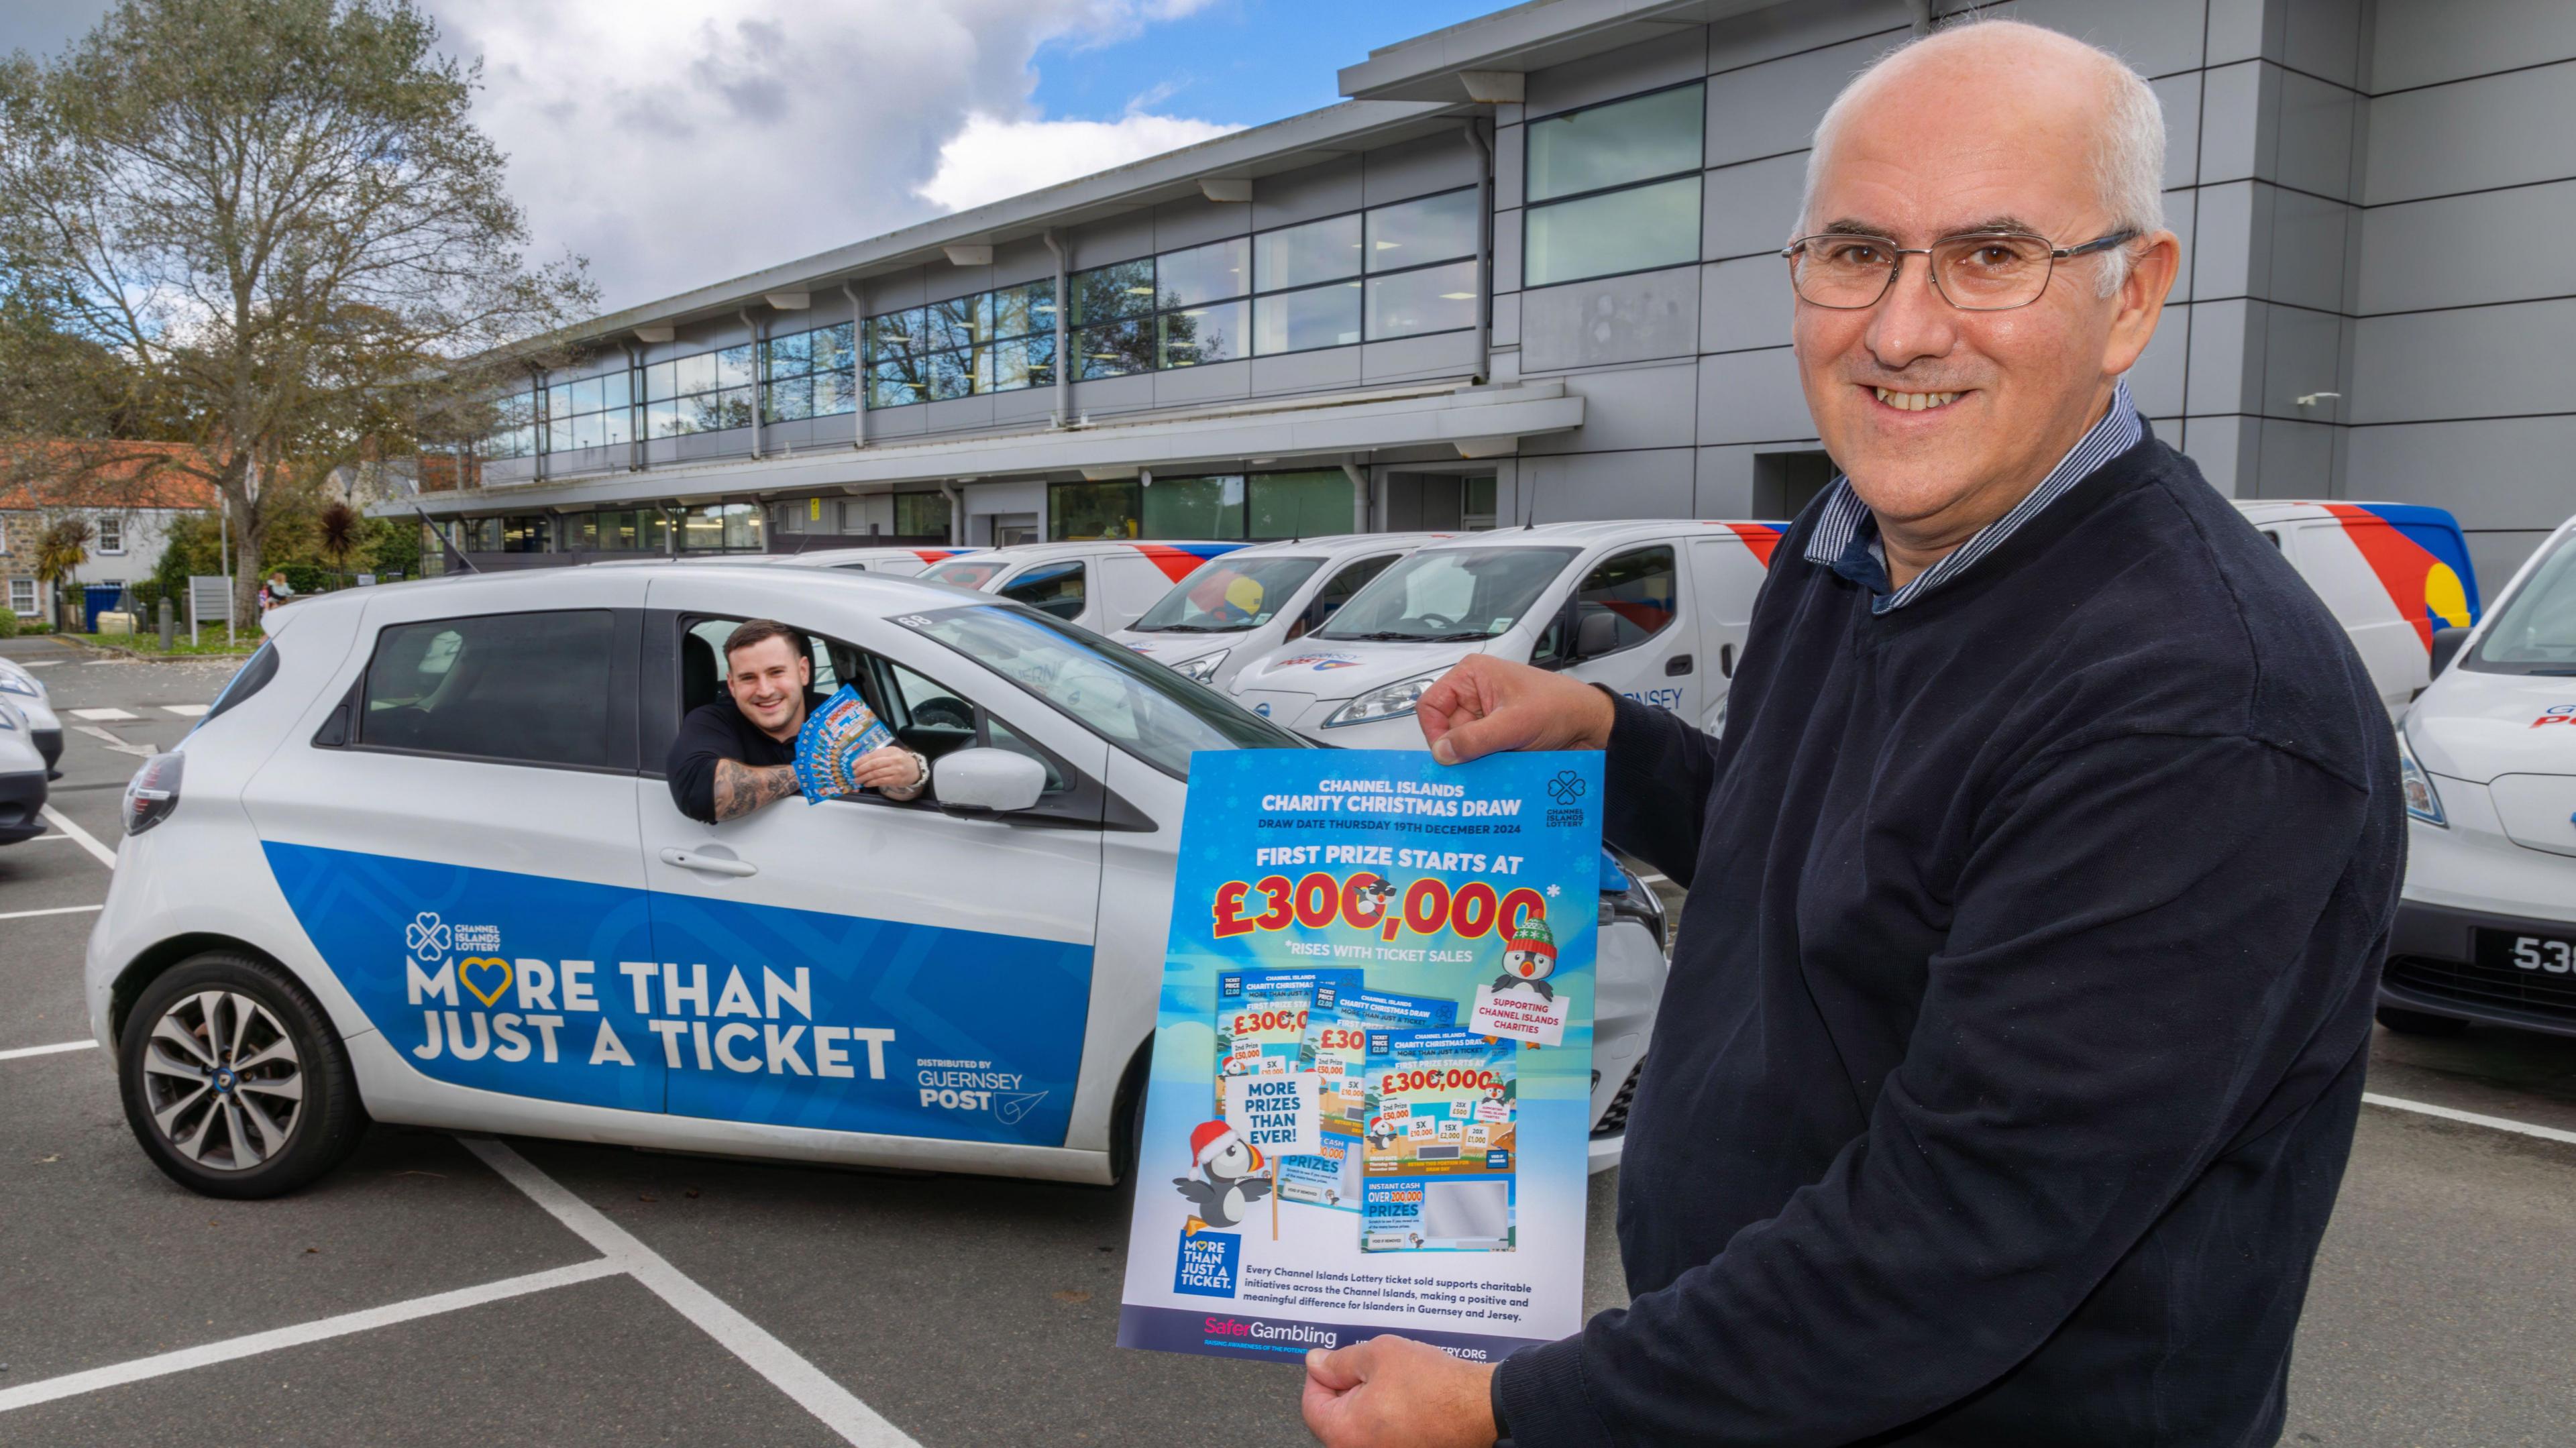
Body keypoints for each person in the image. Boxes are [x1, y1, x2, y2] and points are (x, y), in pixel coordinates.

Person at [1301, 19, 2401, 1448]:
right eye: (1857, 251)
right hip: (1760, 1383)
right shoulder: (1854, 542)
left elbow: (1959, 1239)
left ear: (2133, 298)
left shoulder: (2197, 706)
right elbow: (1827, 848)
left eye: (1992, 255)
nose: (1901, 327)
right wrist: (1608, 737)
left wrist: (1509, 1409)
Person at [665, 618, 927, 824]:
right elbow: (700, 794)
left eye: (776, 672)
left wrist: (913, 774)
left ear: (803, 671)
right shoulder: (712, 721)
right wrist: (821, 774)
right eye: (748, 678)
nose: (765, 690)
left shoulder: (843, 714)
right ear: (732, 685)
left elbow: (899, 785)